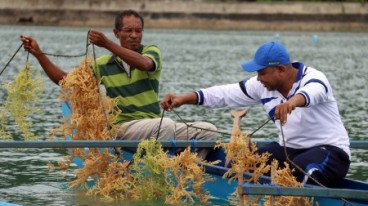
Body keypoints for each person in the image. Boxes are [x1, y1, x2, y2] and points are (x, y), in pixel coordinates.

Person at [20, 9, 217, 157]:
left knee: (208, 131)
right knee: (164, 126)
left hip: (154, 126)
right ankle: (157, 167)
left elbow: (144, 64)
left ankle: (189, 171)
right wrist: (39, 54)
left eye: (138, 31)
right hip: (124, 128)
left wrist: (106, 44)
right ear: (116, 33)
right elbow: (68, 82)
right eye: (128, 30)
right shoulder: (102, 64)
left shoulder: (151, 51)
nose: (134, 35)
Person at [161, 41, 351, 187]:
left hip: (332, 152)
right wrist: (182, 99)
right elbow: (222, 94)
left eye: (262, 73)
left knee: (303, 169)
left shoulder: (314, 78)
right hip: (289, 149)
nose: (258, 79)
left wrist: (292, 102)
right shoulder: (261, 85)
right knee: (244, 164)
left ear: (281, 69)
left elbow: (313, 92)